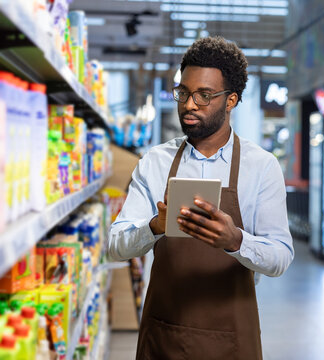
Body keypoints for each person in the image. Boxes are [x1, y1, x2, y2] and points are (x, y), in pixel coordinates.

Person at [108, 37, 294, 360]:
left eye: (204, 95)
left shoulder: (261, 168)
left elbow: (280, 255)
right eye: (183, 92)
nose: (189, 104)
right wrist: (154, 226)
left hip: (232, 341)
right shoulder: (155, 162)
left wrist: (236, 240)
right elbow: (114, 246)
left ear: (231, 100)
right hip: (165, 337)